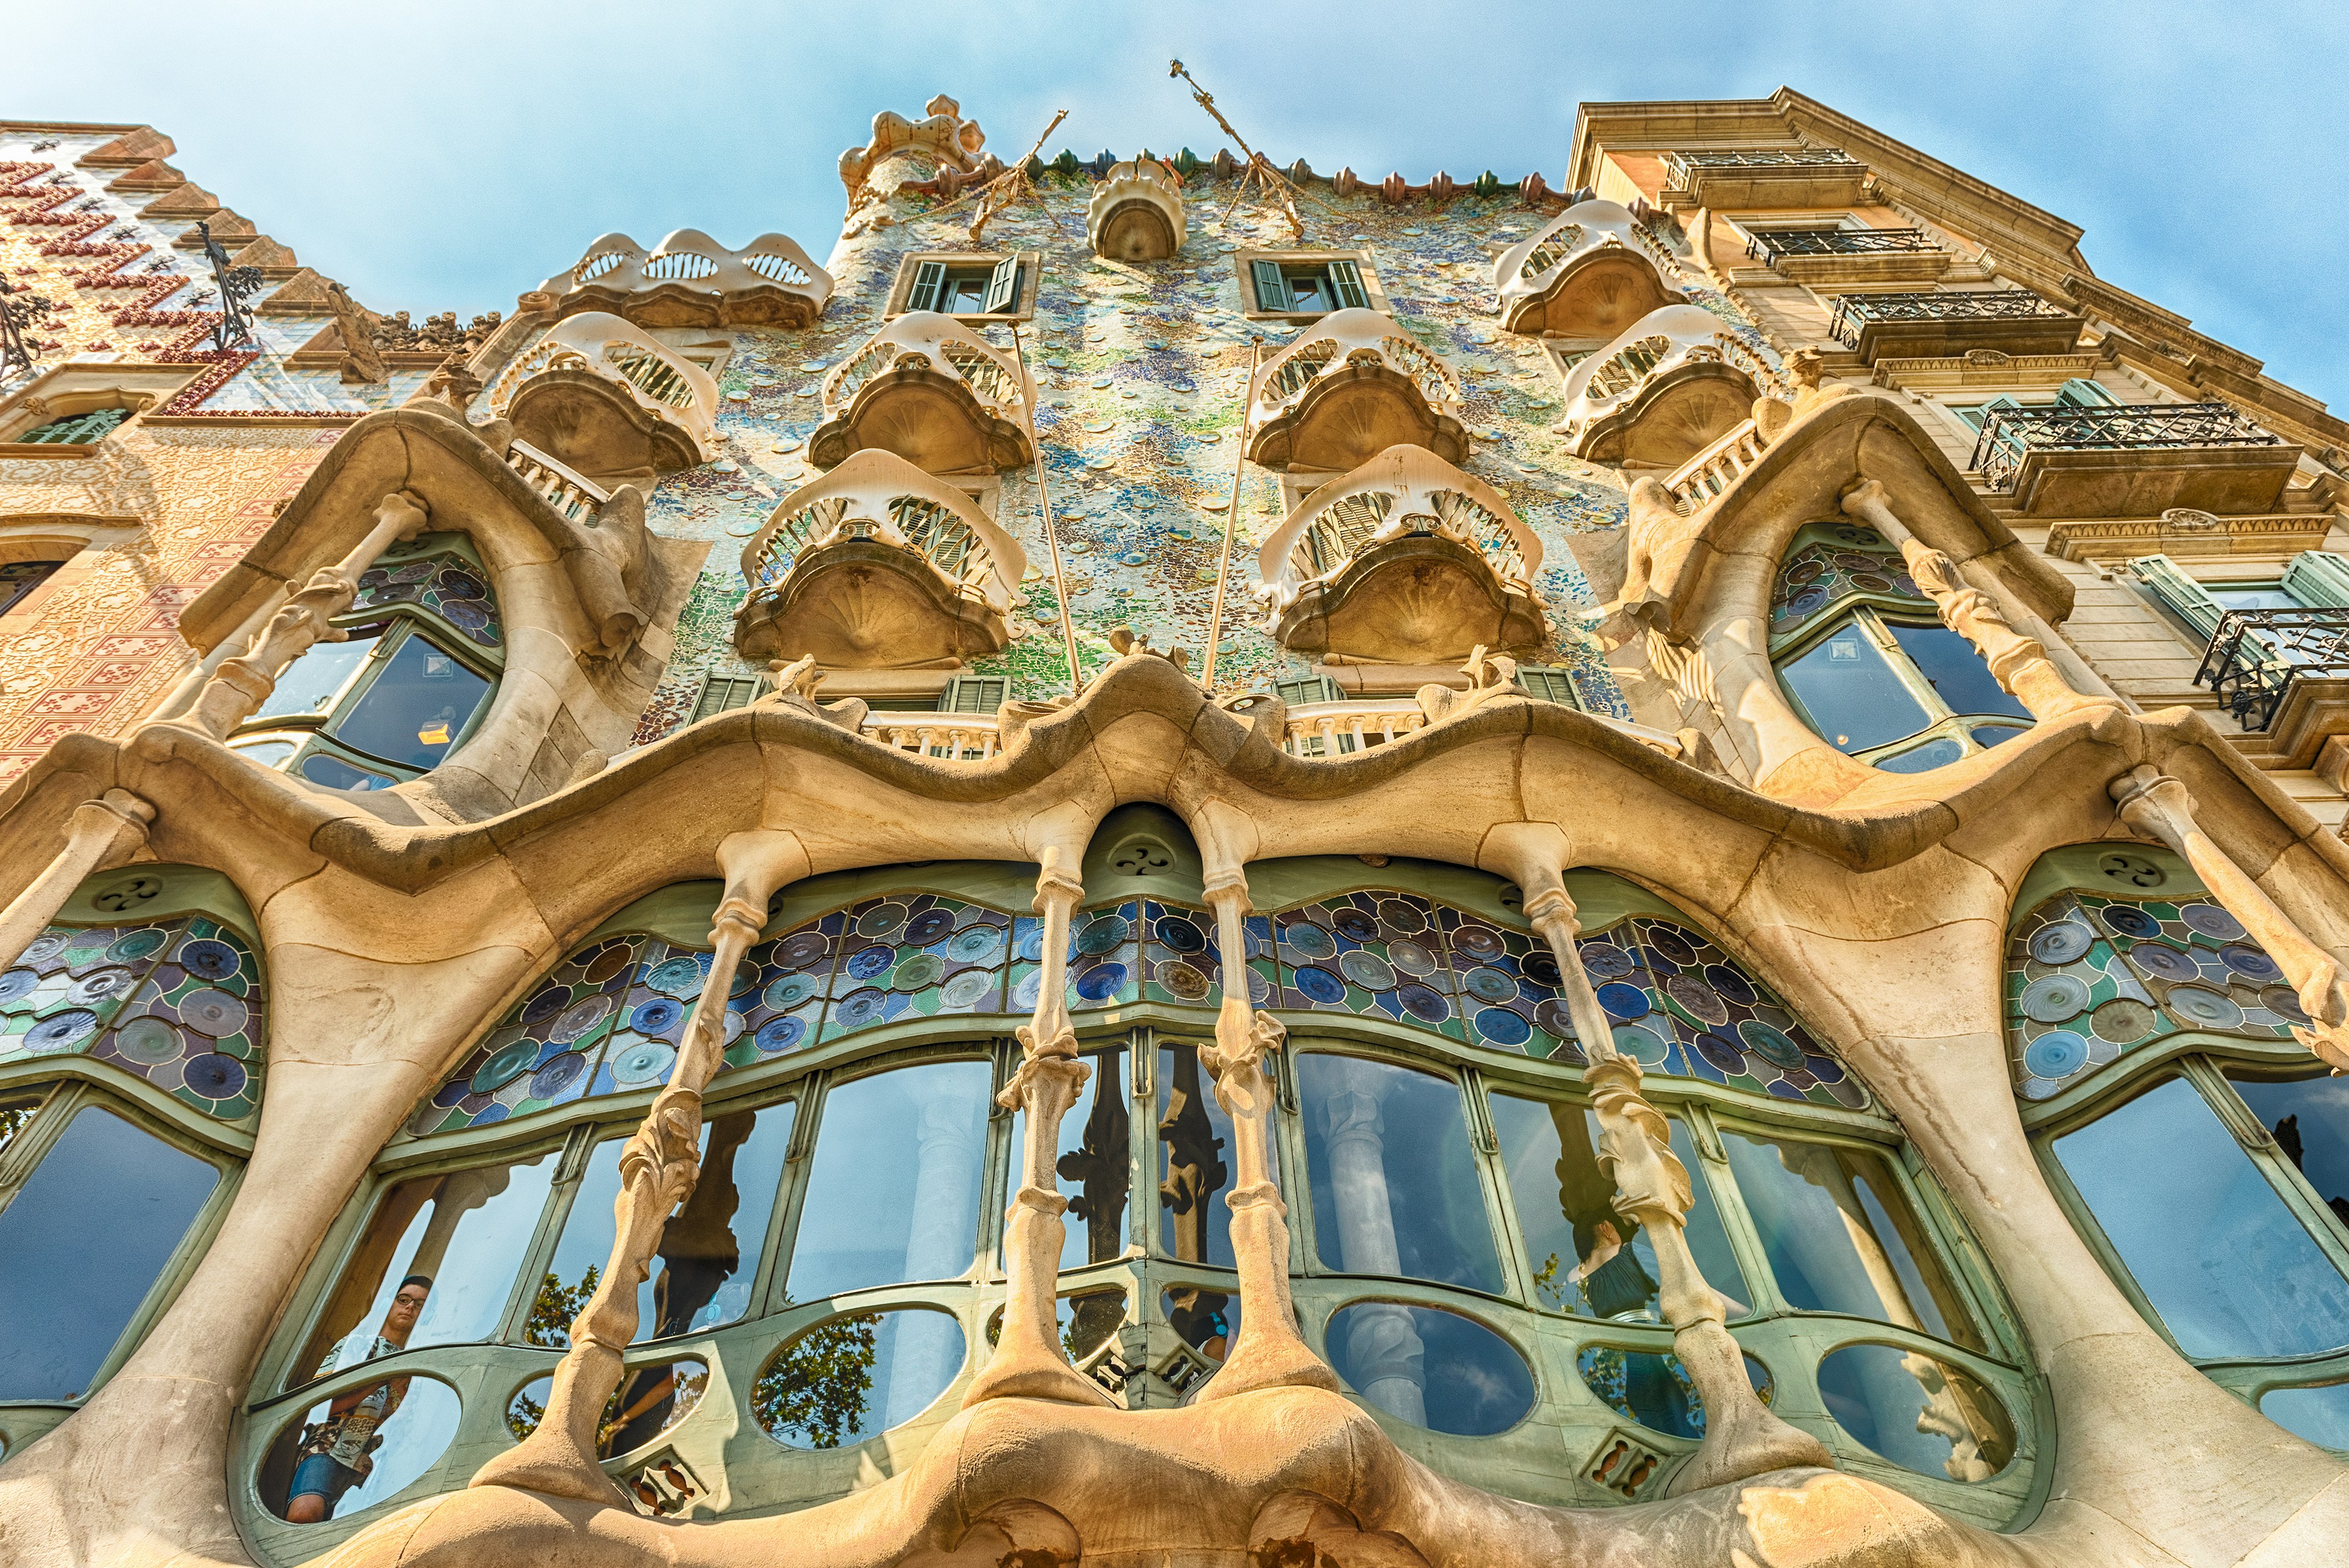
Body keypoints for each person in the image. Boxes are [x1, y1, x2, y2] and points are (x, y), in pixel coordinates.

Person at [284, 1276, 431, 1523]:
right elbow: (319, 1405)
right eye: (403, 1300)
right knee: (304, 1513)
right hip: (328, 1447)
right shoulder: (358, 1344)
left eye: (420, 1305)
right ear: (388, 1303)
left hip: (370, 1468)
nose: (410, 1308)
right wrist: (380, 1377)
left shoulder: (416, 1368)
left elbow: (405, 1428)